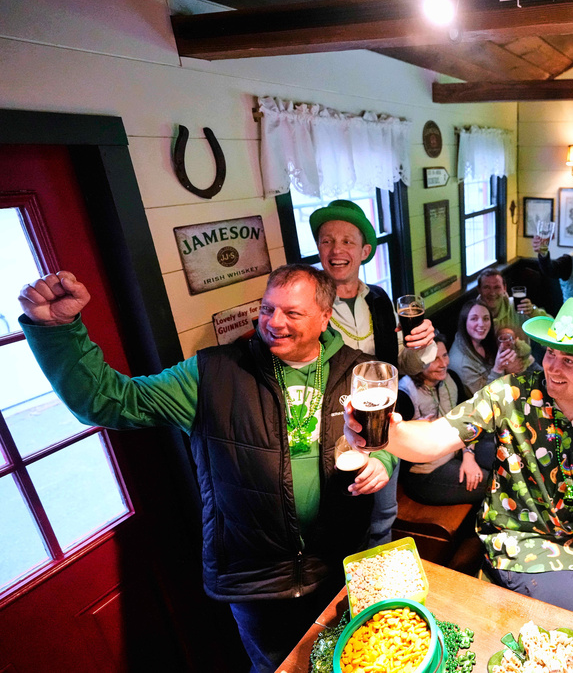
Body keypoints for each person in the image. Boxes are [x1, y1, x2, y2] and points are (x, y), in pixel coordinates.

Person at [18, 265, 395, 673]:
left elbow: (389, 436)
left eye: (292, 313)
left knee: (354, 661)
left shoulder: (359, 371)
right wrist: (58, 332)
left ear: (325, 316)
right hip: (255, 578)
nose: (274, 323)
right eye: (267, 309)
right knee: (276, 668)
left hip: (338, 563)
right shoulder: (212, 373)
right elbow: (107, 400)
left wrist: (384, 460)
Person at [345, 298, 573, 631]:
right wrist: (387, 433)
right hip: (523, 542)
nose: (552, 367)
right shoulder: (510, 394)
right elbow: (435, 437)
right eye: (551, 353)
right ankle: (555, 604)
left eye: (570, 360)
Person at [311, 199, 436, 547]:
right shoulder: (309, 304)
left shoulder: (380, 300)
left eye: (347, 241)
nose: (336, 250)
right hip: (332, 428)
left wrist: (423, 346)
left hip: (382, 424)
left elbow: (401, 368)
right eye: (327, 241)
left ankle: (379, 585)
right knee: (341, 523)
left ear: (365, 251)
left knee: (383, 513)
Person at [398, 332, 496, 505]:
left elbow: (469, 421)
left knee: (507, 455)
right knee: (495, 483)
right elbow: (398, 452)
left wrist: (468, 455)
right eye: (435, 359)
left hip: (457, 451)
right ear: (418, 364)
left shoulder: (451, 379)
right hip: (426, 473)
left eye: (444, 355)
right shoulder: (404, 395)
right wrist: (415, 431)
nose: (443, 364)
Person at [448, 298, 523, 394]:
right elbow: (484, 398)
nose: (481, 324)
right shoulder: (462, 363)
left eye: (486, 318)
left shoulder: (482, 340)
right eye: (474, 318)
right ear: (464, 322)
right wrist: (501, 370)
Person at [475, 267, 545, 371]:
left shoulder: (517, 306)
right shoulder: (474, 317)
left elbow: (548, 327)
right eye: (487, 287)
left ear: (504, 288)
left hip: (526, 362)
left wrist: (533, 311)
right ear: (479, 290)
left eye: (497, 287)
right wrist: (506, 369)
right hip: (497, 371)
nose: (492, 293)